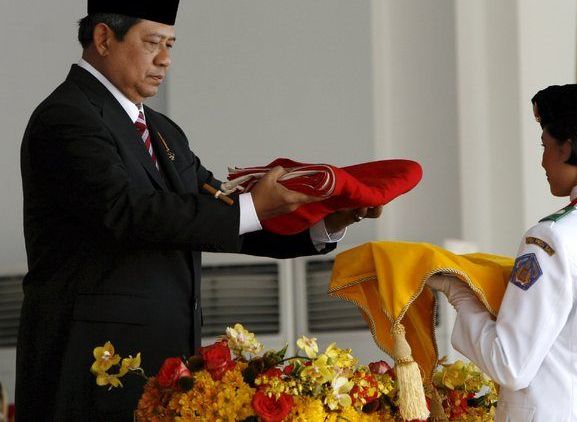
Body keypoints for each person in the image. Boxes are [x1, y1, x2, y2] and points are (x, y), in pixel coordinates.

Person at [16, 1, 381, 420]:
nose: (166, 59)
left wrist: (325, 221)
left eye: (170, 44)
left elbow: (214, 212)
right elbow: (129, 212)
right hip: (89, 372)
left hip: (164, 371)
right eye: (152, 42)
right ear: (103, 38)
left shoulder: (163, 130)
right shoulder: (67, 116)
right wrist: (251, 206)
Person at [428, 84, 577, 421]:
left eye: (545, 145)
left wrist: (458, 291)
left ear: (567, 147)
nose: (542, 160)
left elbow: (510, 363)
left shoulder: (552, 237)